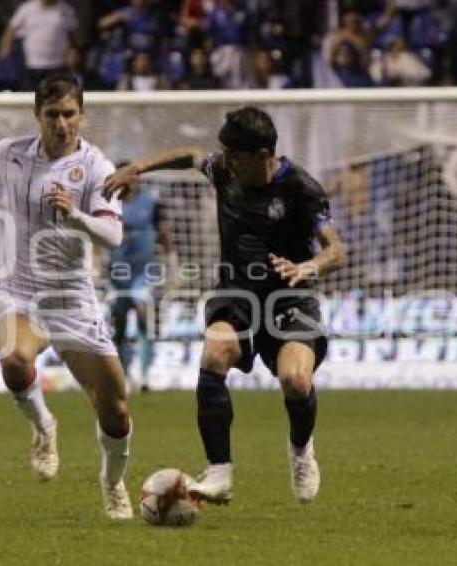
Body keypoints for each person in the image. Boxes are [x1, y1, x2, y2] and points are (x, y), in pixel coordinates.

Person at [103, 106, 346, 504]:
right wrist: (139, 168)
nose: (224, 161)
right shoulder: (224, 170)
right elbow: (190, 155)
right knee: (215, 352)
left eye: (234, 155)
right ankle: (219, 473)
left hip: (290, 295)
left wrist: (308, 266)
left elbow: (337, 249)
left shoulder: (302, 188)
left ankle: (301, 451)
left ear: (263, 155)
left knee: (296, 381)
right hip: (236, 293)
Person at [0, 73, 134, 520]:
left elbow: (112, 234)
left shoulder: (98, 167)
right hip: (22, 291)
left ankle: (113, 484)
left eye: (69, 114)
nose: (62, 123)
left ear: (82, 115)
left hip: (74, 299)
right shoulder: (9, 153)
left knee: (115, 409)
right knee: (14, 358)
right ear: (37, 115)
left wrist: (74, 215)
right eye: (52, 114)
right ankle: (44, 426)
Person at [107, 161, 178, 392]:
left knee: (143, 315)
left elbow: (164, 233)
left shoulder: (151, 203)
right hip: (116, 274)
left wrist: (172, 263)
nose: (129, 180)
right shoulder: (107, 204)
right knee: (117, 326)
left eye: (133, 176)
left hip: (143, 274)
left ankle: (146, 373)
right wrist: (95, 265)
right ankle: (124, 375)